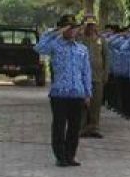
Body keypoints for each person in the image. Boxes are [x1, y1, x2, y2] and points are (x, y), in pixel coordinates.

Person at [35, 15, 93, 167]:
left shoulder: (82, 49)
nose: (72, 31)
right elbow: (39, 47)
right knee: (59, 126)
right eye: (69, 28)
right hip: (60, 93)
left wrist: (88, 93)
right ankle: (60, 156)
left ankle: (70, 155)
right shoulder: (55, 45)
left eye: (74, 28)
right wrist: (55, 32)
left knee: (74, 128)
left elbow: (86, 72)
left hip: (77, 93)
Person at [78, 15, 108, 138]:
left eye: (93, 25)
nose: (91, 27)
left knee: (96, 102)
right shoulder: (80, 39)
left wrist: (105, 73)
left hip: (97, 76)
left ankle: (94, 127)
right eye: (88, 25)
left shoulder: (101, 40)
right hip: (83, 77)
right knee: (83, 102)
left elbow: (106, 57)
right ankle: (82, 127)